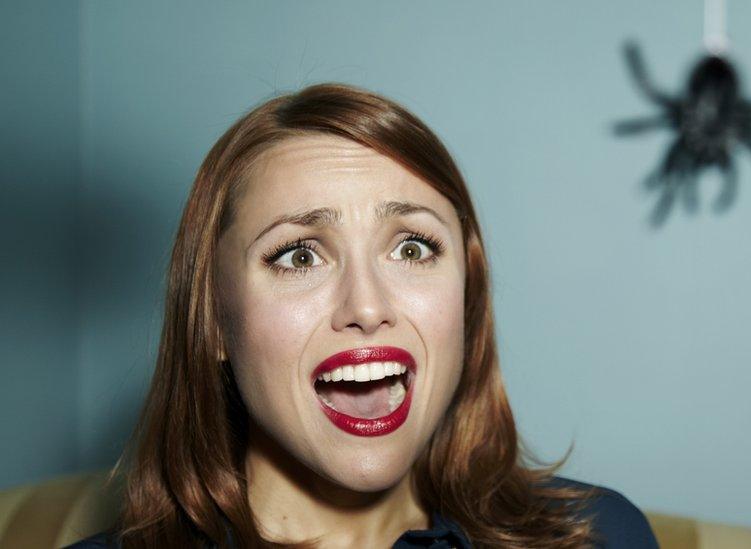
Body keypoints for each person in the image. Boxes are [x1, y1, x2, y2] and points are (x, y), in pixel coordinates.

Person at [67, 84, 658, 548]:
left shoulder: (601, 535)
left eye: (412, 248)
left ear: (467, 298)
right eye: (299, 255)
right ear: (215, 320)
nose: (368, 307)